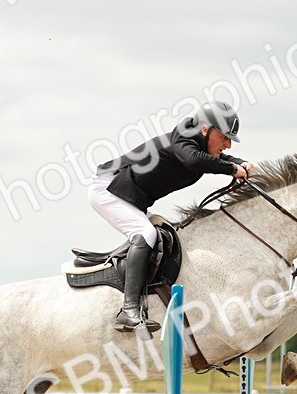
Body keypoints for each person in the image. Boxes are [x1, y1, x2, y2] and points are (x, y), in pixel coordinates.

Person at [89, 100, 256, 332]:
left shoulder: (195, 143)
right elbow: (195, 160)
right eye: (225, 137)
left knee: (162, 234)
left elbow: (214, 158)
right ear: (205, 129)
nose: (228, 144)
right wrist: (231, 169)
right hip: (109, 188)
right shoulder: (184, 140)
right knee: (145, 234)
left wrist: (240, 163)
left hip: (128, 196)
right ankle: (128, 310)